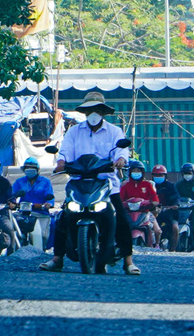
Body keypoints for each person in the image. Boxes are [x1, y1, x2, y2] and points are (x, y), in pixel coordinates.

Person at [41, 90, 139, 274]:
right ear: (85, 112)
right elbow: (65, 151)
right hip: (79, 182)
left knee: (123, 221)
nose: (93, 113)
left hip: (106, 184)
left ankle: (128, 262)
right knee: (63, 217)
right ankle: (57, 258)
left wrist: (121, 161)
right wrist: (61, 162)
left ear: (102, 111)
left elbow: (121, 151)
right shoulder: (74, 132)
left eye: (97, 109)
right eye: (90, 109)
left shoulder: (114, 132)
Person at [9, 155, 56, 248]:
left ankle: (49, 248)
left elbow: (50, 198)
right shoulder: (19, 182)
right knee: (9, 225)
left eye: (32, 168)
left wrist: (48, 204)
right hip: (23, 213)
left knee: (53, 225)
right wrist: (12, 202)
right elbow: (12, 195)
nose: (29, 170)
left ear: (37, 170)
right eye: (27, 168)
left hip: (41, 212)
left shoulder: (45, 181)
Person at [117, 160, 161, 250]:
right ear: (130, 172)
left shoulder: (148, 185)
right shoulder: (125, 185)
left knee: (158, 231)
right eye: (134, 171)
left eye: (138, 171)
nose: (136, 173)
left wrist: (154, 203)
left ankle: (156, 245)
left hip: (146, 213)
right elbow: (120, 199)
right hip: (128, 213)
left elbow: (154, 197)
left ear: (143, 172)